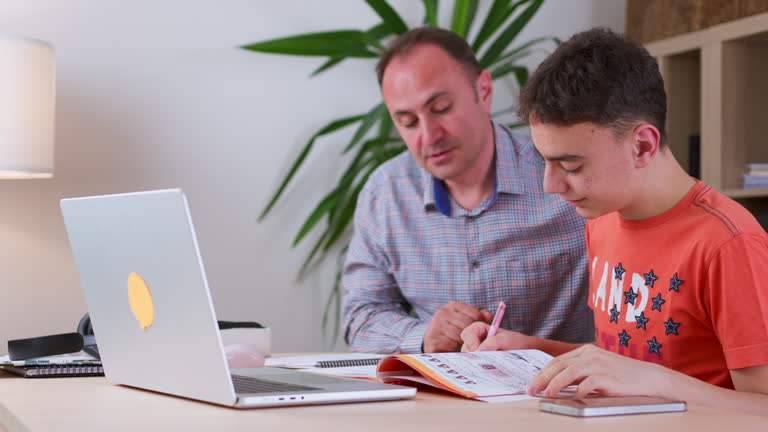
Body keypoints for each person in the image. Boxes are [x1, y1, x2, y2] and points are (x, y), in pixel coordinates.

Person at [461, 28, 768, 415]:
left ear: (642, 145)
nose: (550, 185)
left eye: (570, 165)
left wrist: (657, 381)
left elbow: (763, 405)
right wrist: (527, 348)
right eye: (545, 161)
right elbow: (617, 360)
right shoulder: (601, 220)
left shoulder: (728, 244)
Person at [341, 27, 593, 354]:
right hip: (439, 400)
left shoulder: (561, 172)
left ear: (484, 91)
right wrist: (424, 336)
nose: (430, 136)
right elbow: (360, 315)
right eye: (408, 122)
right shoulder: (386, 192)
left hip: (554, 393)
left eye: (442, 107)